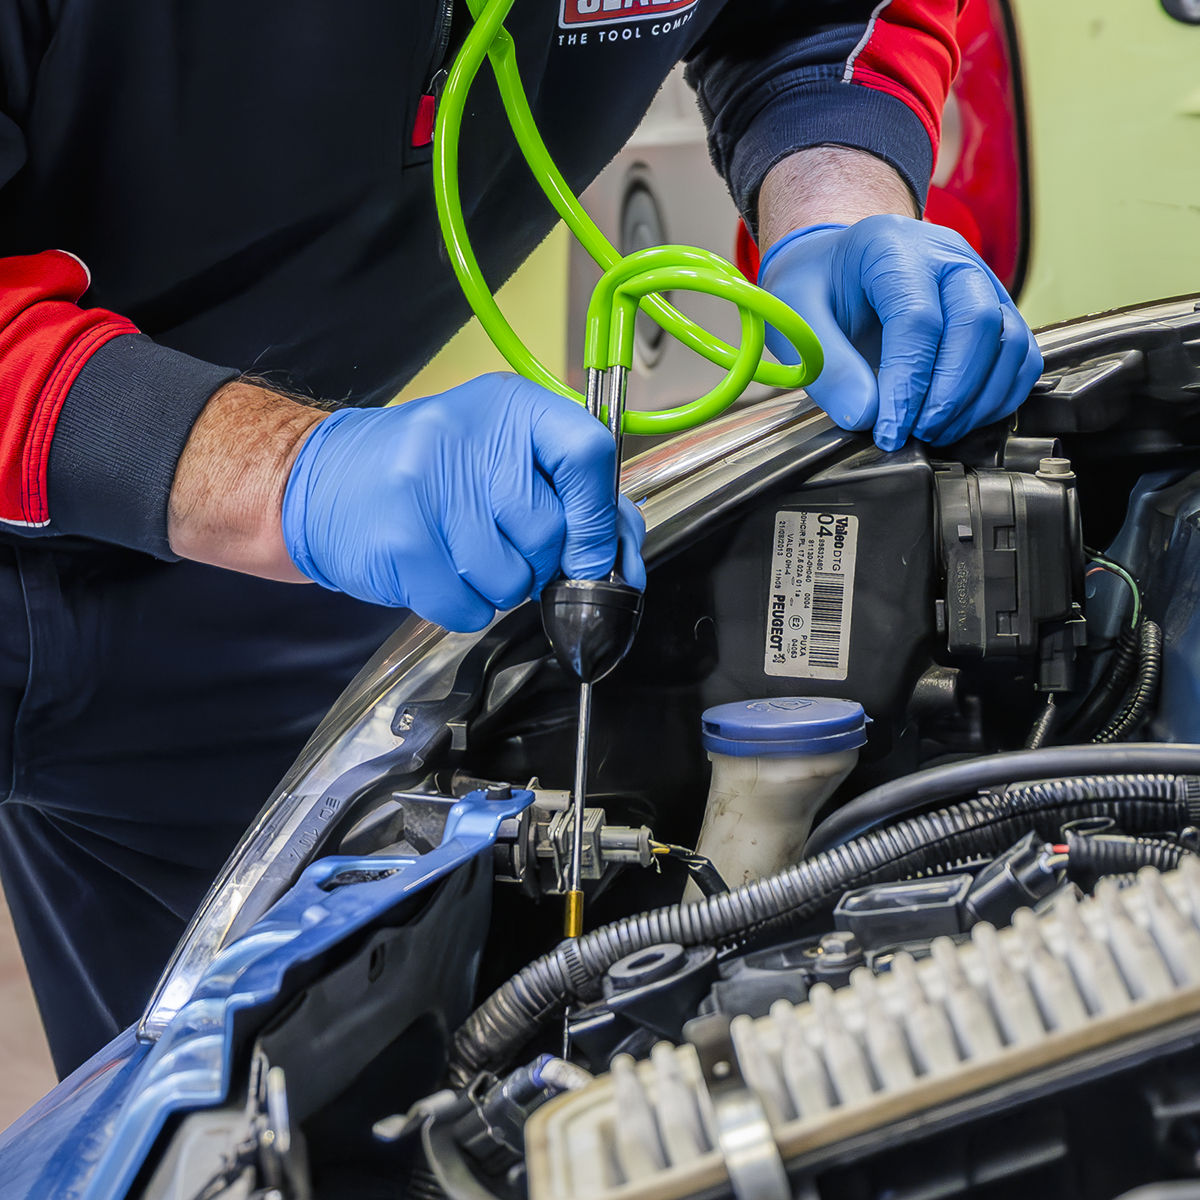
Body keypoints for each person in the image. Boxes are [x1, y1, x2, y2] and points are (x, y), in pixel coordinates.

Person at [0, 0, 1040, 1077]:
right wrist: (280, 471)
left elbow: (811, 16)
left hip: (256, 573)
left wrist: (834, 195)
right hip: (256, 489)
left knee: (323, 1089)